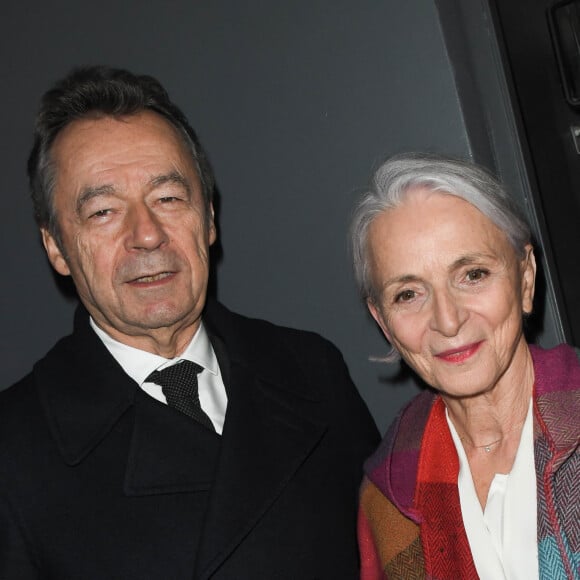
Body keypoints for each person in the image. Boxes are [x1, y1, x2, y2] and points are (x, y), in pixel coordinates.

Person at [0, 65, 379, 579]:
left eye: (168, 199)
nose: (148, 235)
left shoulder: (312, 370)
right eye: (104, 212)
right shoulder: (14, 451)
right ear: (56, 247)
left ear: (209, 218)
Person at [350, 153, 579, 579]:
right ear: (383, 321)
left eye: (473, 274)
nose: (448, 320)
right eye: (408, 294)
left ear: (525, 278)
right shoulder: (384, 497)